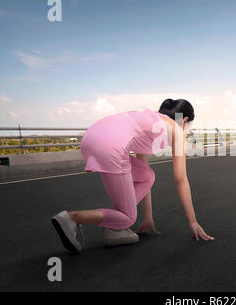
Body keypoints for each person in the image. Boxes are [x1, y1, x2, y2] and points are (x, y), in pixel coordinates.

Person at [51, 98, 214, 254]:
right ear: (184, 120)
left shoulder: (149, 120)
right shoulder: (177, 131)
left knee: (146, 175)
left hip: (91, 139)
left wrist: (148, 217)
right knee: (128, 218)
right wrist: (193, 222)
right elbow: (180, 180)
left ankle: (115, 228)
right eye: (189, 125)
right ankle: (73, 218)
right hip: (110, 147)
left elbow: (143, 173)